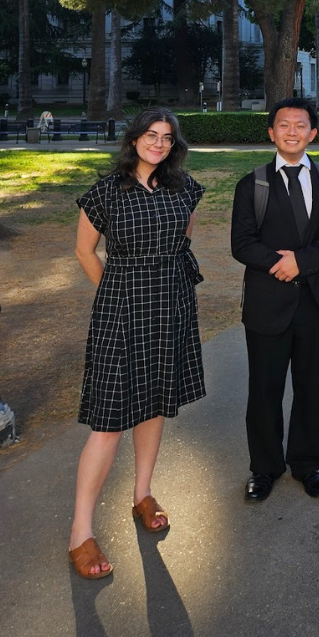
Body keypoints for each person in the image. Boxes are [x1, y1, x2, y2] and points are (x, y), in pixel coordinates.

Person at [69, 108, 205, 579]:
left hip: (170, 307)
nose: (159, 144)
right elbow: (85, 250)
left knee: (153, 406)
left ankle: (142, 494)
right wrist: (115, 291)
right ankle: (80, 534)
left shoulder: (184, 188)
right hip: (121, 310)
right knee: (107, 422)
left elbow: (182, 241)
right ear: (134, 140)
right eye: (152, 135)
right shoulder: (106, 192)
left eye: (168, 138)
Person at [231, 97, 319, 503]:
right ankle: (264, 468)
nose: (292, 131)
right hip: (266, 303)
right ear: (271, 133)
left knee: (311, 386)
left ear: (313, 133)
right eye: (284, 125)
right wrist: (282, 265)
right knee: (264, 389)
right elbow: (241, 244)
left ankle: (308, 463)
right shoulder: (253, 185)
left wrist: (302, 262)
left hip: (316, 302)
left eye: (300, 125)